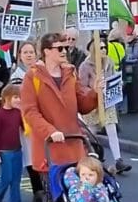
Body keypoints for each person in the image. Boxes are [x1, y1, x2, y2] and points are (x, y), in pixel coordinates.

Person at [20, 32, 99, 176]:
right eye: (60, 48)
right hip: (49, 149)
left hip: (74, 145)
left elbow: (82, 106)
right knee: (56, 195)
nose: (64, 52)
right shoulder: (32, 76)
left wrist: (95, 93)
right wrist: (50, 131)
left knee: (79, 194)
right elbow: (30, 112)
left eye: (66, 48)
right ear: (46, 51)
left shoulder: (71, 73)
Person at [78, 40, 131, 174]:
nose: (104, 50)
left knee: (111, 129)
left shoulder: (109, 62)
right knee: (91, 133)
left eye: (105, 47)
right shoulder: (85, 66)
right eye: (101, 48)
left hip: (107, 101)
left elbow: (114, 77)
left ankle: (118, 160)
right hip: (93, 103)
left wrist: (117, 84)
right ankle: (89, 160)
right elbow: (81, 86)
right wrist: (93, 89)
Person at [8, 41, 43, 195]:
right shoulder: (17, 76)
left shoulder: (42, 72)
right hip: (26, 122)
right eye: (25, 53)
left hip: (43, 119)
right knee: (31, 156)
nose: (29, 55)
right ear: (20, 56)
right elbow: (14, 99)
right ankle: (38, 191)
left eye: (31, 52)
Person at [0, 84, 25, 202]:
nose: (18, 100)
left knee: (16, 180)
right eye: (16, 97)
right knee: (6, 179)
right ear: (6, 98)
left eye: (20, 97)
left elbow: (24, 126)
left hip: (17, 150)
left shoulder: (17, 112)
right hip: (4, 152)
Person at [123, 32, 138, 113]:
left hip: (135, 69)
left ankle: (136, 107)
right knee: (131, 89)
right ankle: (131, 107)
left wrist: (127, 57)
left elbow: (136, 55)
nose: (127, 37)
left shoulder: (137, 45)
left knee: (135, 89)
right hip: (129, 69)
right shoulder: (129, 44)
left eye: (129, 35)